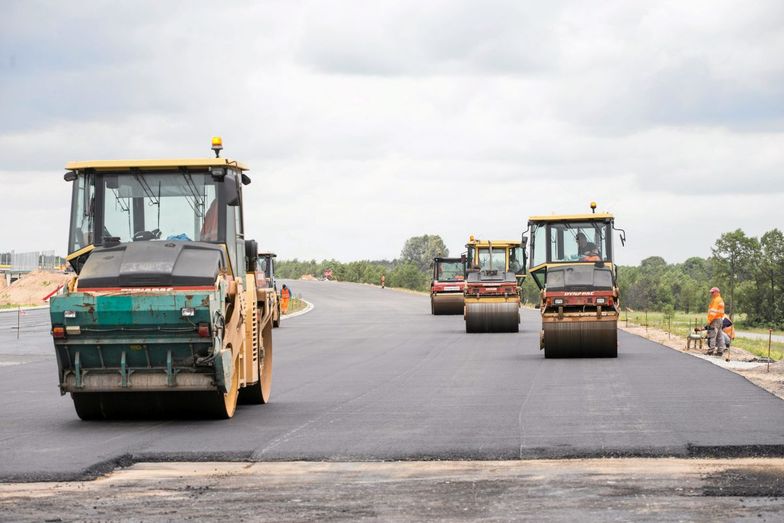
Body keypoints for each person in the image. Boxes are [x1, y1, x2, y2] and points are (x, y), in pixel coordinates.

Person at [706, 287, 726, 355]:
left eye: (713, 292)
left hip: (715, 319)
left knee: (712, 335)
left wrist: (709, 321)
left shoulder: (716, 300)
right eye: (711, 292)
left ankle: (711, 350)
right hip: (720, 319)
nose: (711, 294)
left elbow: (713, 312)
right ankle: (720, 351)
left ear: (717, 292)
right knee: (719, 335)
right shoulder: (720, 300)